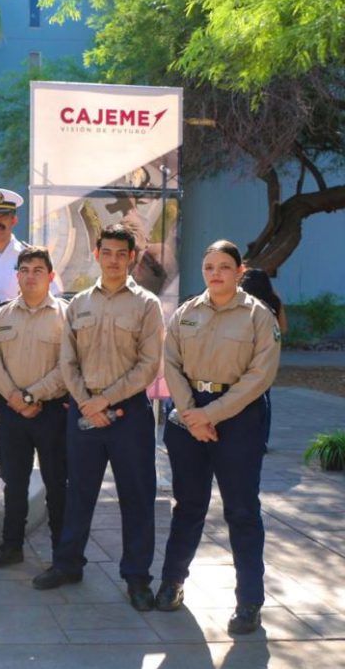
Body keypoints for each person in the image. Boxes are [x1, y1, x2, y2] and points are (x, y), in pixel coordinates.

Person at [32, 224, 164, 613]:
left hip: (129, 416)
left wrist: (103, 400)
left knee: (137, 497)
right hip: (84, 413)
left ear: (132, 257)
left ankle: (137, 577)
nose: (113, 260)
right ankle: (68, 564)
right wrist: (86, 401)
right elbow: (66, 360)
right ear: (96, 252)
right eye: (106, 252)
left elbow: (148, 365)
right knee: (78, 494)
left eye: (121, 254)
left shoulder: (146, 305)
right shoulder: (78, 304)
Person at [155, 240, 281, 635]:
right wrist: (192, 415)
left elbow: (260, 377)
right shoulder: (186, 312)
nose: (215, 273)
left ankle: (249, 603)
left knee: (242, 511)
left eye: (224, 266)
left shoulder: (259, 317)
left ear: (239, 271)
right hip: (190, 412)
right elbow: (170, 363)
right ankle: (172, 583)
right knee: (188, 506)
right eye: (209, 266)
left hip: (238, 415)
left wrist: (209, 414)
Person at [0, 188, 61, 508]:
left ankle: (11, 482)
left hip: (22, 351)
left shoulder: (28, 256)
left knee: (17, 421)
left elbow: (54, 296)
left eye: (4, 216)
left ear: (14, 219)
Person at [0, 246, 69, 568]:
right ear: (16, 275)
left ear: (51, 277)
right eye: (25, 270)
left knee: (57, 483)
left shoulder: (66, 315)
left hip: (52, 413)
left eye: (38, 271)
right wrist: (15, 398)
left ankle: (63, 553)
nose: (31, 276)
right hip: (12, 414)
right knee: (14, 483)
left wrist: (32, 396)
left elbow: (68, 366)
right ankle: (11, 546)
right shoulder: (0, 316)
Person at [239, 267, 288, 451]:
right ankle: (262, 440)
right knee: (264, 399)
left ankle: (241, 436)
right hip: (266, 357)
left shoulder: (242, 302)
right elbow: (283, 329)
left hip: (244, 357)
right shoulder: (273, 302)